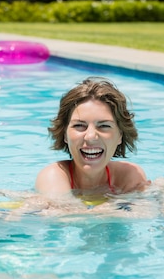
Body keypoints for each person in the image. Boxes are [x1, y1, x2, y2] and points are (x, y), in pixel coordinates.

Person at [34, 77, 149, 213]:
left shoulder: (128, 175)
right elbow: (71, 217)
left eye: (104, 126)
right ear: (64, 134)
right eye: (79, 125)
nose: (90, 136)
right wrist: (119, 205)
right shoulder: (53, 176)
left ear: (120, 136)